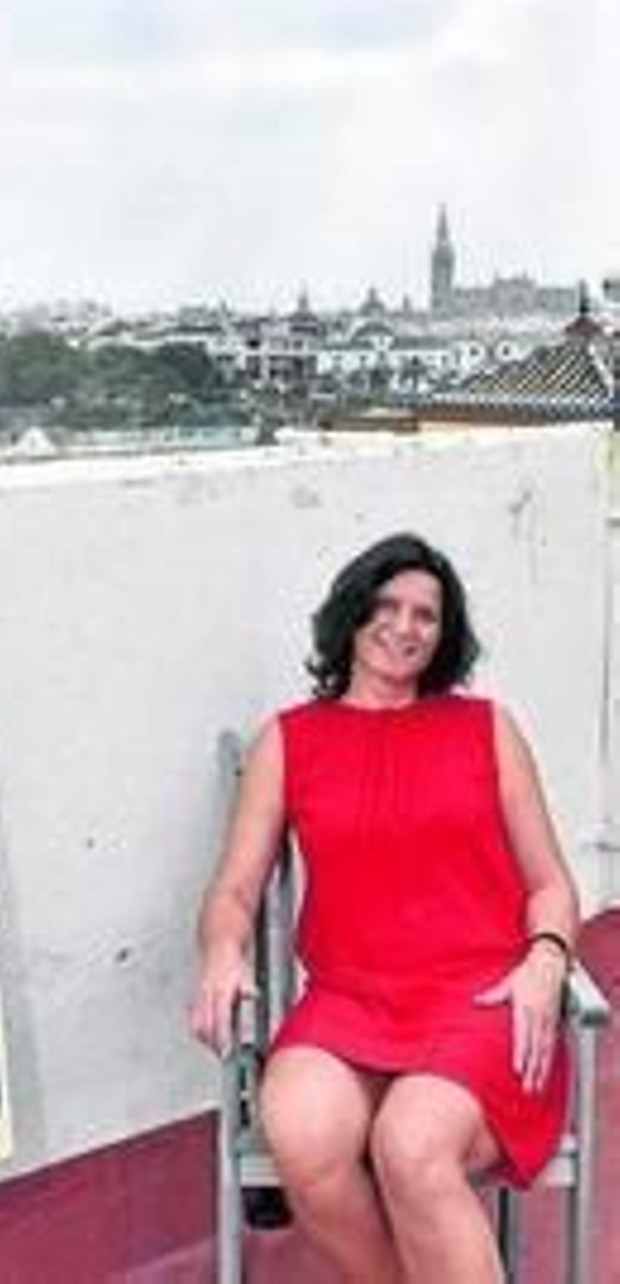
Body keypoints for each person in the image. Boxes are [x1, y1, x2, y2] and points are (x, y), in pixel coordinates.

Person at [191, 533, 578, 1282]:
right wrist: (221, 950)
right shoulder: (290, 741)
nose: (405, 627)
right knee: (299, 1132)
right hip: (350, 1000)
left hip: (482, 999)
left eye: (426, 616)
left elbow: (552, 883)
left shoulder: (486, 728)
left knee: (412, 1143)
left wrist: (547, 958)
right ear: (352, 612)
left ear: (444, 636)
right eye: (388, 606)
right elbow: (233, 890)